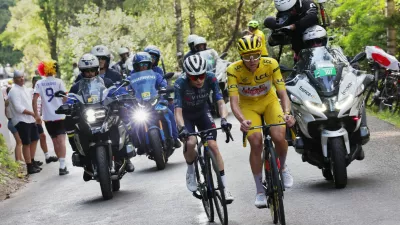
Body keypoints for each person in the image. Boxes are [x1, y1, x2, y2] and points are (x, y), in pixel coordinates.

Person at [226, 35, 295, 208]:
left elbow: (282, 93)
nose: (252, 60)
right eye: (247, 56)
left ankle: (283, 167)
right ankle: (259, 190)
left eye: (255, 55)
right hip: (248, 106)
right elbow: (234, 102)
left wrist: (286, 113)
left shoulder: (270, 64)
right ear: (241, 56)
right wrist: (242, 120)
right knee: (256, 141)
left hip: (269, 102)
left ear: (260, 53)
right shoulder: (233, 70)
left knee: (279, 135)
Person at [174, 54, 234, 202]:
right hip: (186, 116)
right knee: (191, 142)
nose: (199, 80)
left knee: (213, 145)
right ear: (188, 75)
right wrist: (182, 128)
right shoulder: (180, 83)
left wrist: (224, 119)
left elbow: (220, 102)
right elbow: (178, 112)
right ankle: (190, 170)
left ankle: (224, 188)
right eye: (195, 78)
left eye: (201, 76)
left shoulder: (211, 78)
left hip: (202, 112)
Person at [68, 53, 135, 179]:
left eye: (92, 70)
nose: (90, 73)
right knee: (71, 123)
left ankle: (126, 154)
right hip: (87, 115)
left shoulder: (107, 81)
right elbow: (70, 98)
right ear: (82, 71)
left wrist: (121, 95)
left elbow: (117, 90)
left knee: (122, 113)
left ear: (97, 69)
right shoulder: (77, 85)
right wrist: (68, 105)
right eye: (87, 71)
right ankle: (84, 160)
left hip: (106, 112)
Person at [129, 52, 181, 149]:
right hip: (140, 104)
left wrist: (165, 88)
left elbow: (163, 83)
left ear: (150, 65)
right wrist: (125, 92)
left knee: (169, 113)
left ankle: (174, 138)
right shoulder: (131, 77)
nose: (143, 67)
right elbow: (126, 88)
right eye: (141, 64)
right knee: (133, 120)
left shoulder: (156, 75)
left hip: (156, 101)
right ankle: (139, 144)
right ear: (136, 66)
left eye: (146, 64)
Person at [33, 60, 69, 175]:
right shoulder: (58, 82)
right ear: (54, 69)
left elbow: (34, 100)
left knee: (54, 140)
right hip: (60, 114)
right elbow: (64, 98)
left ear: (42, 70)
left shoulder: (39, 83)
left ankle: (61, 162)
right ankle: (62, 165)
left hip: (48, 116)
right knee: (62, 140)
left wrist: (37, 115)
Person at [8, 70, 41, 174]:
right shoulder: (13, 91)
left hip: (30, 120)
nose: (21, 79)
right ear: (14, 79)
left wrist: (34, 115)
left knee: (35, 139)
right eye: (18, 77)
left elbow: (30, 102)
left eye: (22, 77)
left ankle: (32, 160)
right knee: (26, 143)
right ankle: (29, 166)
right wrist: (32, 114)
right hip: (21, 121)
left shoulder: (25, 89)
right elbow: (18, 108)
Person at [30, 75, 58, 165]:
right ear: (33, 82)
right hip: (32, 118)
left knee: (41, 137)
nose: (37, 83)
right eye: (35, 81)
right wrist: (35, 116)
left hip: (38, 118)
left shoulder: (41, 91)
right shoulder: (30, 92)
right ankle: (32, 160)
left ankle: (46, 157)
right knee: (35, 138)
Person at [4, 86, 23, 163]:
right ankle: (18, 160)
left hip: (10, 122)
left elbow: (6, 113)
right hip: (13, 122)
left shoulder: (7, 101)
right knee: (19, 142)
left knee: (19, 141)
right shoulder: (12, 101)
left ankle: (20, 158)